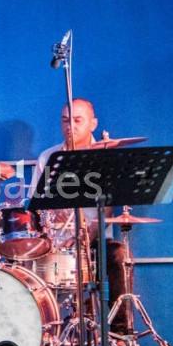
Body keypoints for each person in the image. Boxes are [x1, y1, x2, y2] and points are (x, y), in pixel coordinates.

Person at [34, 98, 135, 330]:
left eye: (77, 120)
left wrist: (88, 235)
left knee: (119, 255)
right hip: (57, 243)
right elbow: (36, 204)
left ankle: (120, 334)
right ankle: (49, 336)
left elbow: (108, 207)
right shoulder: (47, 158)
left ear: (93, 123)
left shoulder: (106, 156)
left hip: (96, 240)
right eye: (65, 121)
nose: (70, 126)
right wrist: (51, 214)